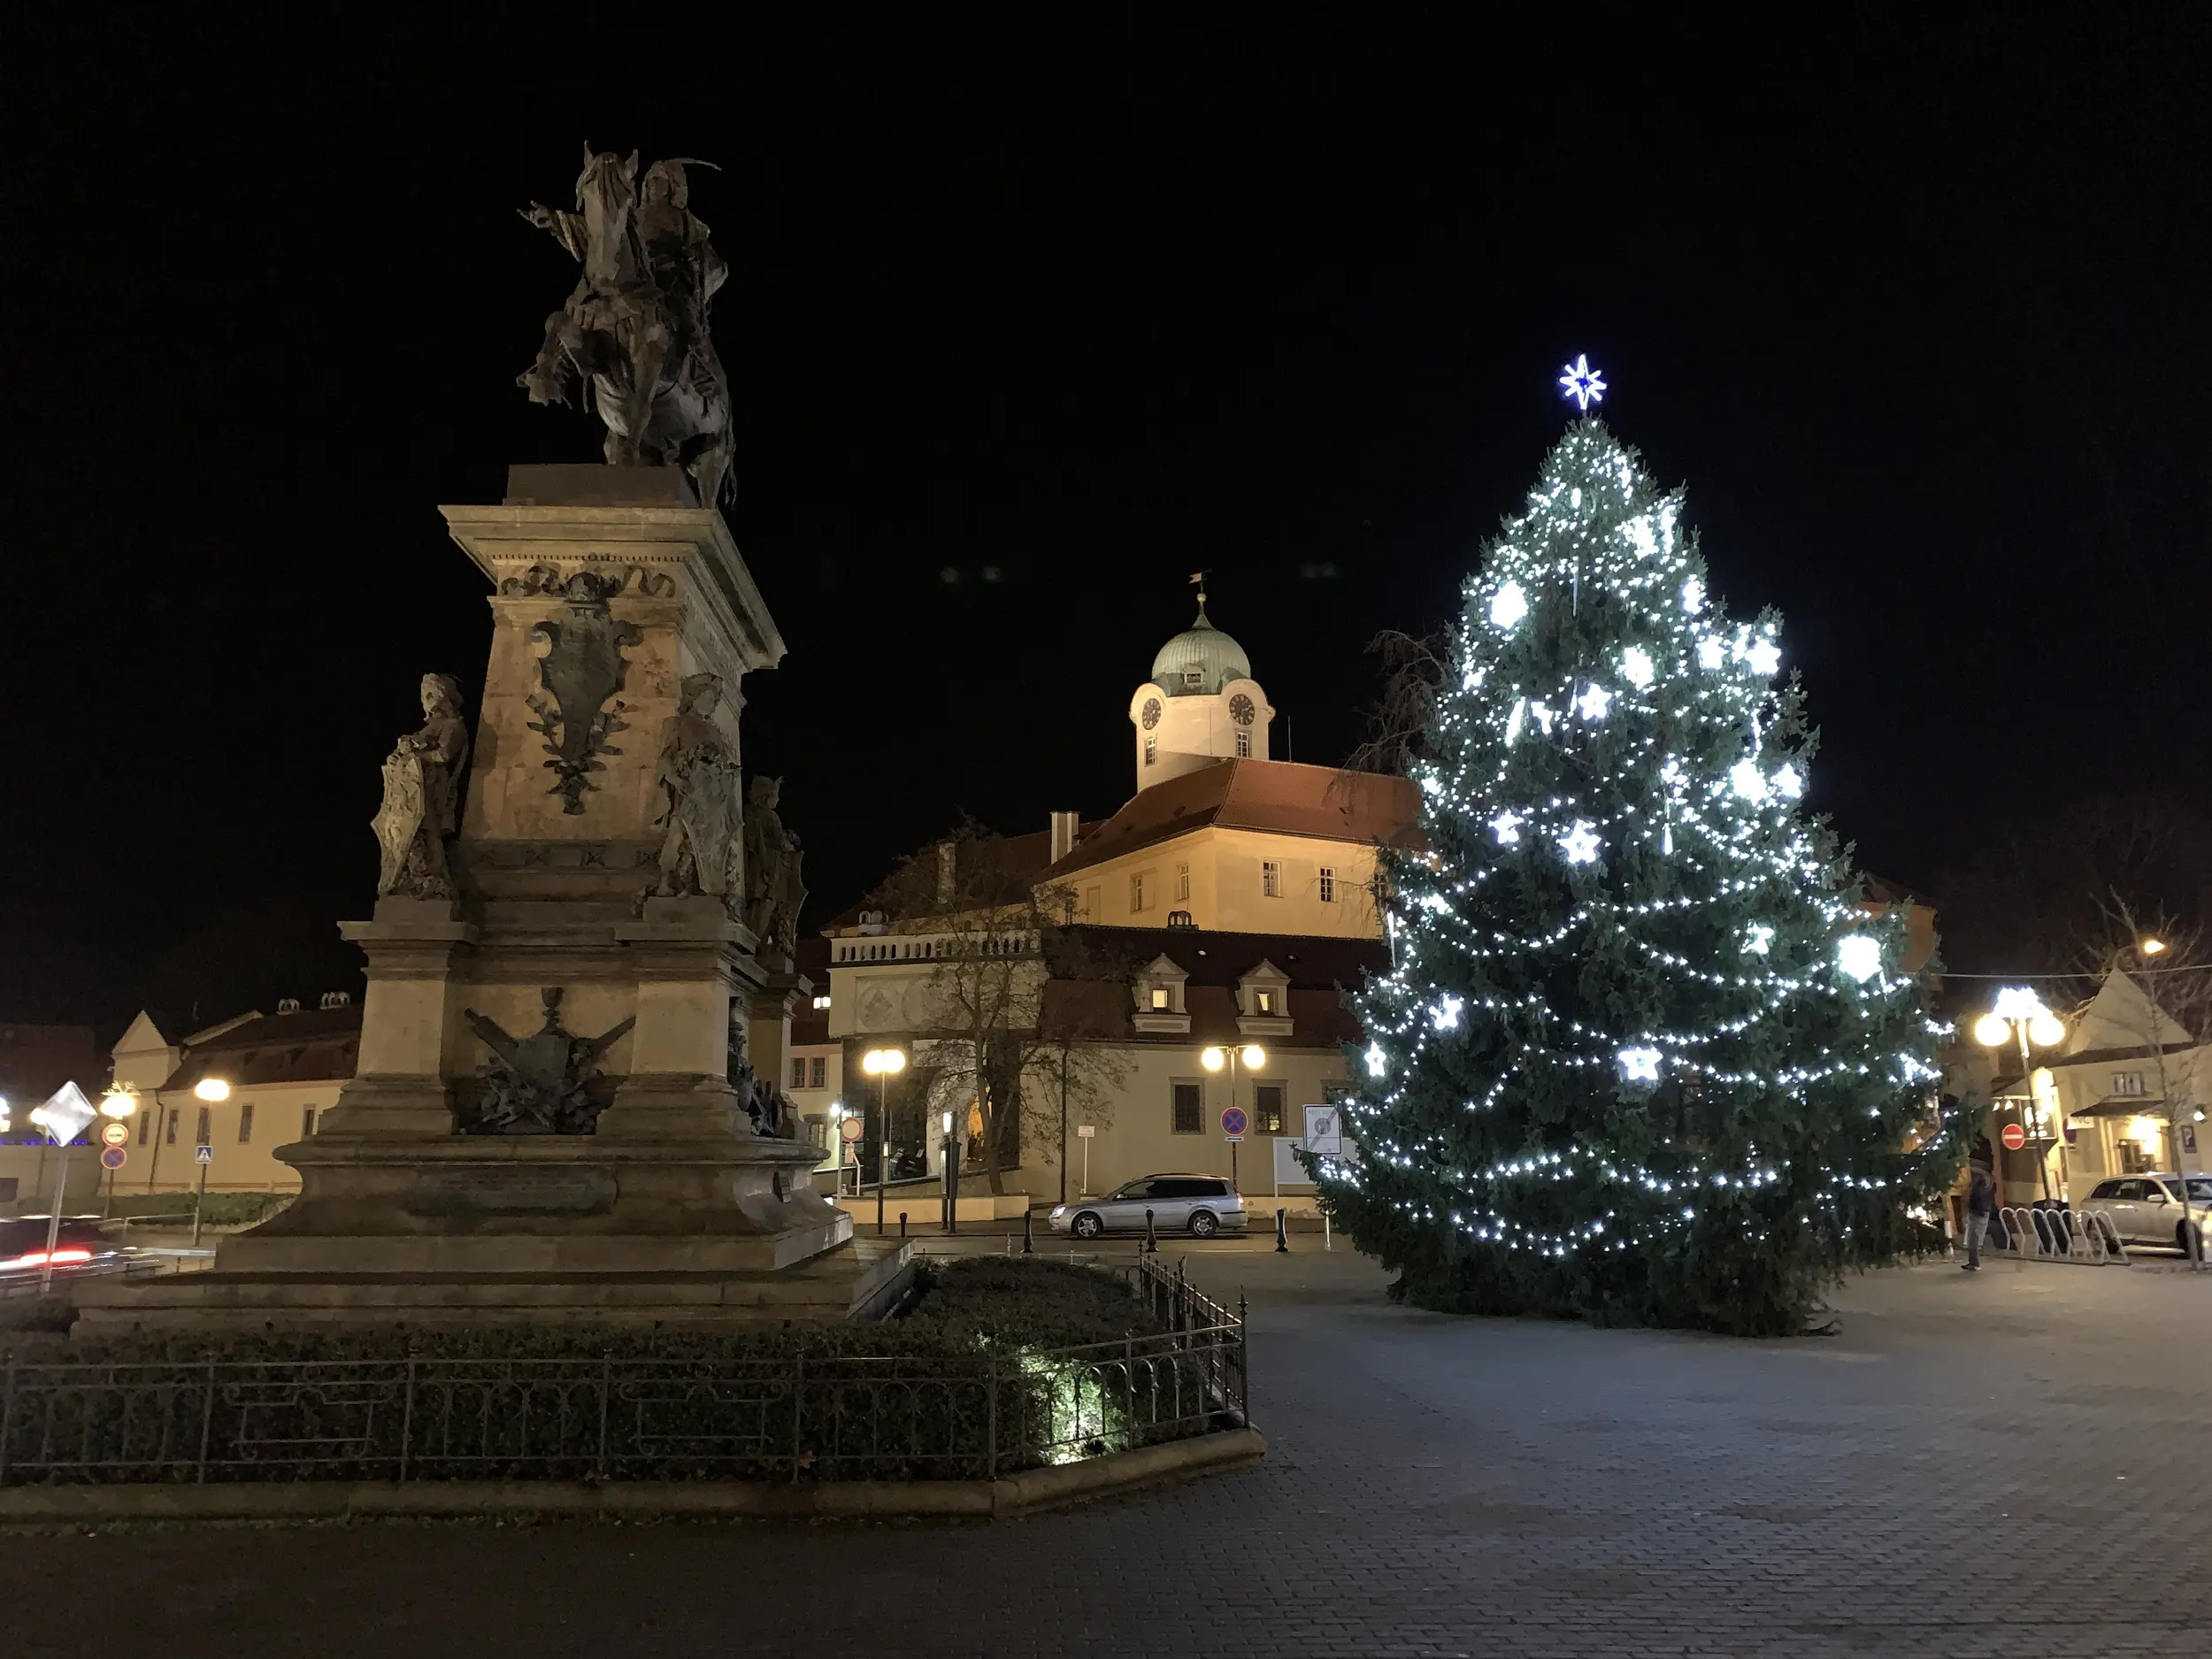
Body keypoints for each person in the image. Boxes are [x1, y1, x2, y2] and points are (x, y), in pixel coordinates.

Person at [1962, 1152, 1997, 1271]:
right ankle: (1973, 1262)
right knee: (1973, 1239)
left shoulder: (1983, 1184)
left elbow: (1978, 1197)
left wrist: (1971, 1195)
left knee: (1975, 1239)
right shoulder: (1983, 1183)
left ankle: (1975, 1263)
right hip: (1979, 1211)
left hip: (1980, 1212)